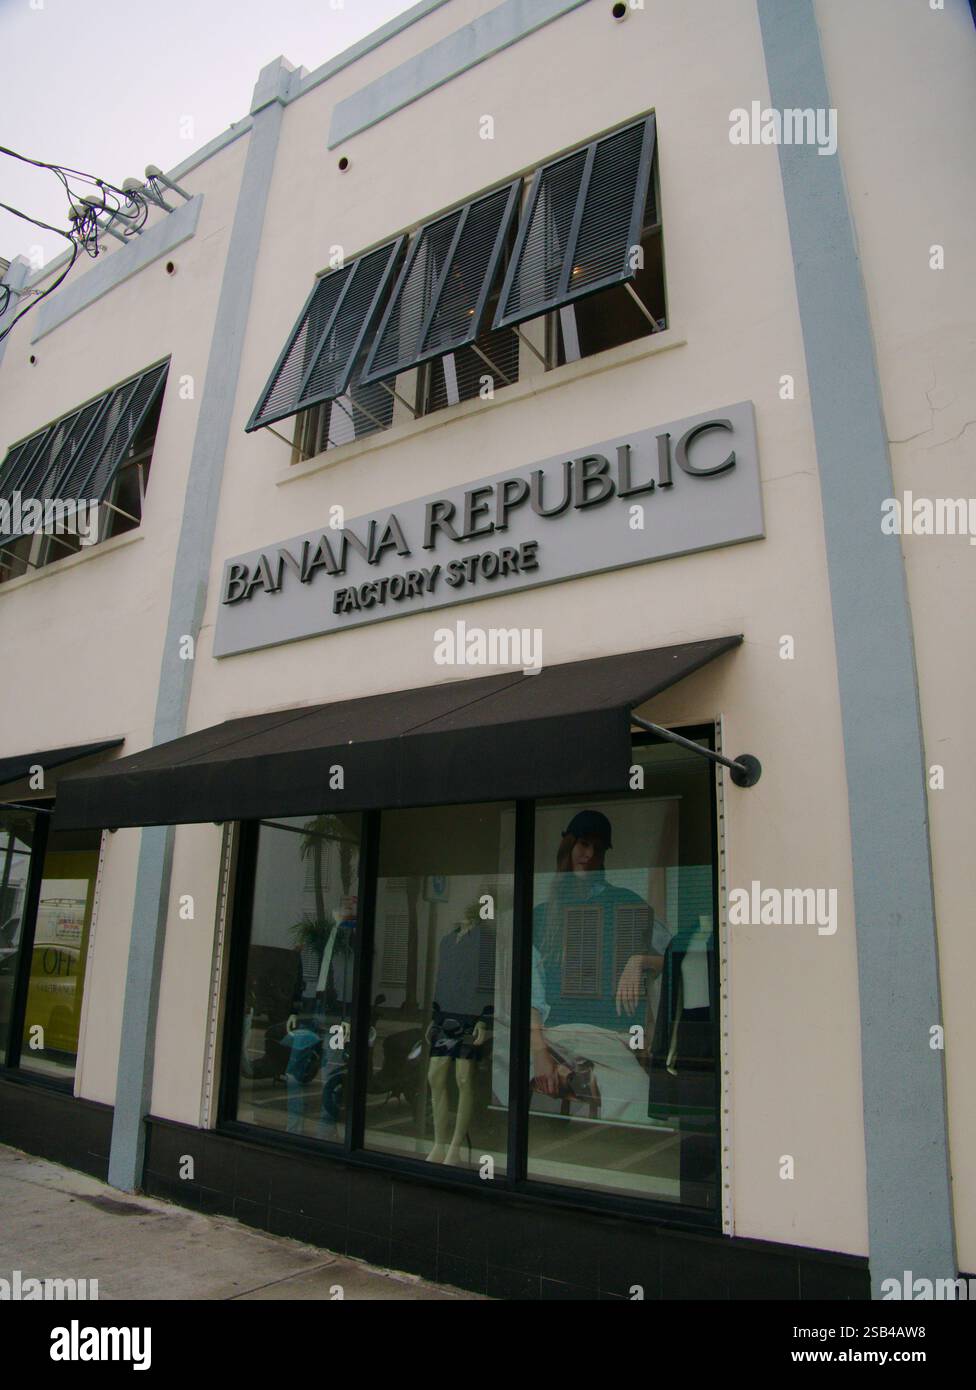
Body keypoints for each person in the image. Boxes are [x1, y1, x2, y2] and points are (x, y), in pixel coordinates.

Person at [530, 809, 671, 1123]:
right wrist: (539, 1053)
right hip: (559, 1034)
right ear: (569, 846)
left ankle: (576, 1076)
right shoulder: (542, 916)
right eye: (583, 844)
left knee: (639, 1097)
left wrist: (639, 961)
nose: (589, 854)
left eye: (598, 847)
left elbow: (673, 957)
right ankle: (574, 1075)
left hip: (610, 1037)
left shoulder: (628, 904)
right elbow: (531, 995)